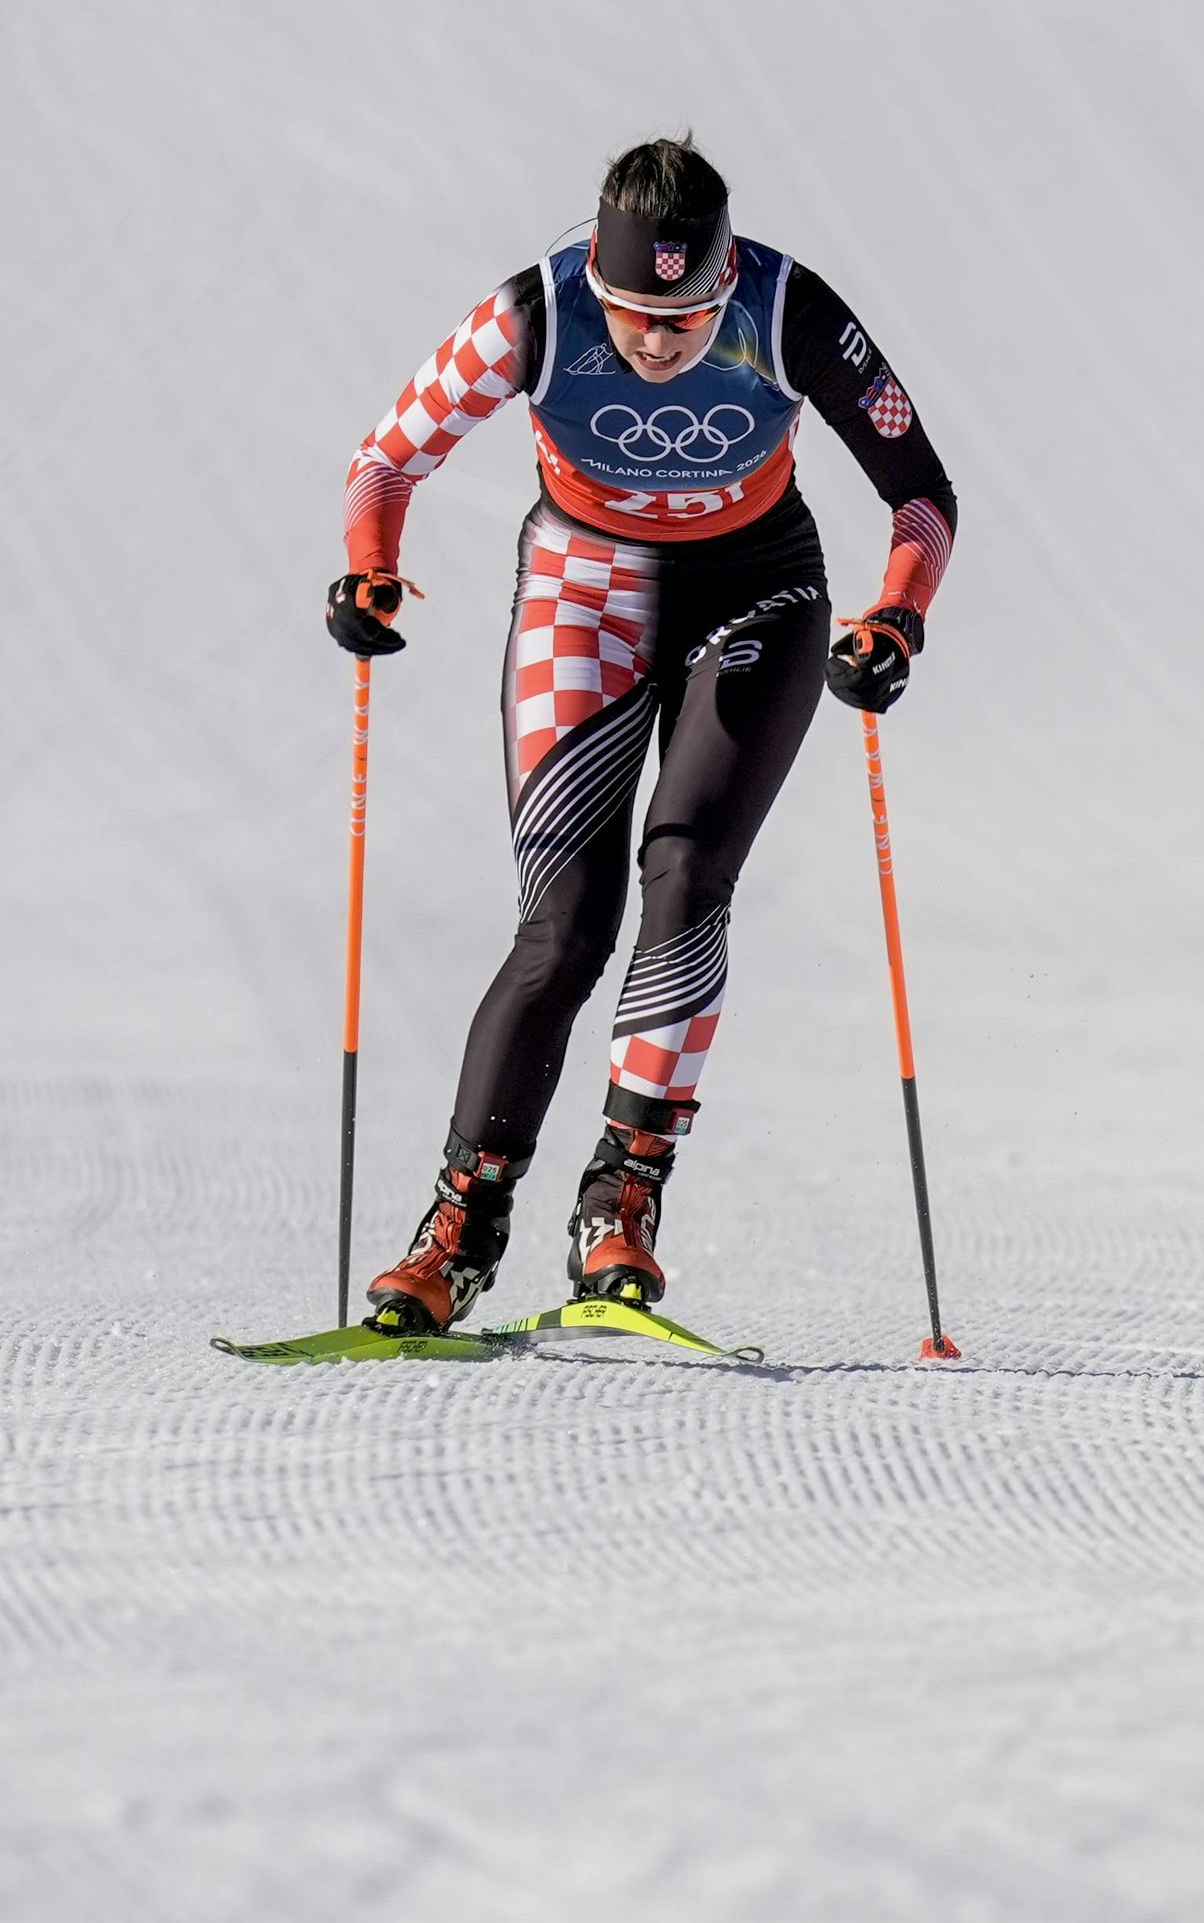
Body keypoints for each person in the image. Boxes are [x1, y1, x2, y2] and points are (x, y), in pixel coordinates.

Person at [327, 138, 956, 1332]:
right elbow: (387, 459)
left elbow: (921, 491)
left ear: (724, 280)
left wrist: (896, 620)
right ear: (599, 282)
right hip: (586, 588)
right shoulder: (535, 311)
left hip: (757, 589)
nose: (658, 342)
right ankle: (459, 1229)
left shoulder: (788, 306)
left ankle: (621, 1198)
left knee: (688, 875)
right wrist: (369, 570)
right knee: (565, 929)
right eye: (634, 313)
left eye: (686, 315)